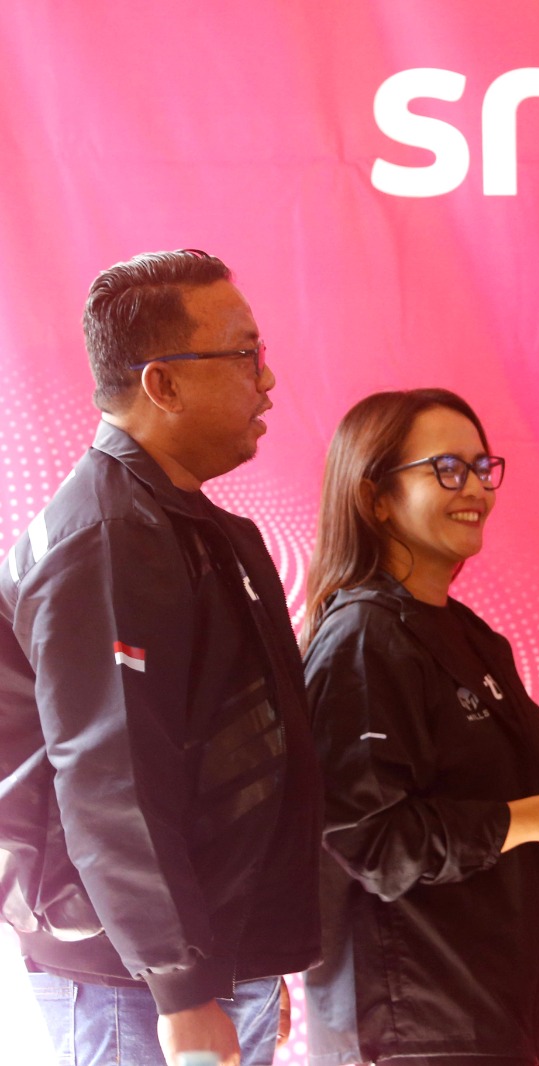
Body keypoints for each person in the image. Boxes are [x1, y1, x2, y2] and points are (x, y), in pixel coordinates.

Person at [0, 249, 322, 1066]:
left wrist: (249, 953)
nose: (267, 380)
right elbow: (111, 779)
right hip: (133, 980)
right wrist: (181, 986)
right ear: (163, 384)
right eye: (244, 354)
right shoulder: (108, 538)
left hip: (204, 960)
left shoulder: (198, 531)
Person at [299, 388, 539, 1066]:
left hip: (486, 1015)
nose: (475, 488)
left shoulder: (469, 635)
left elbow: (467, 790)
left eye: (482, 467)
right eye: (446, 469)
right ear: (376, 498)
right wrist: (530, 819)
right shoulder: (365, 636)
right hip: (411, 1032)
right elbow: (369, 838)